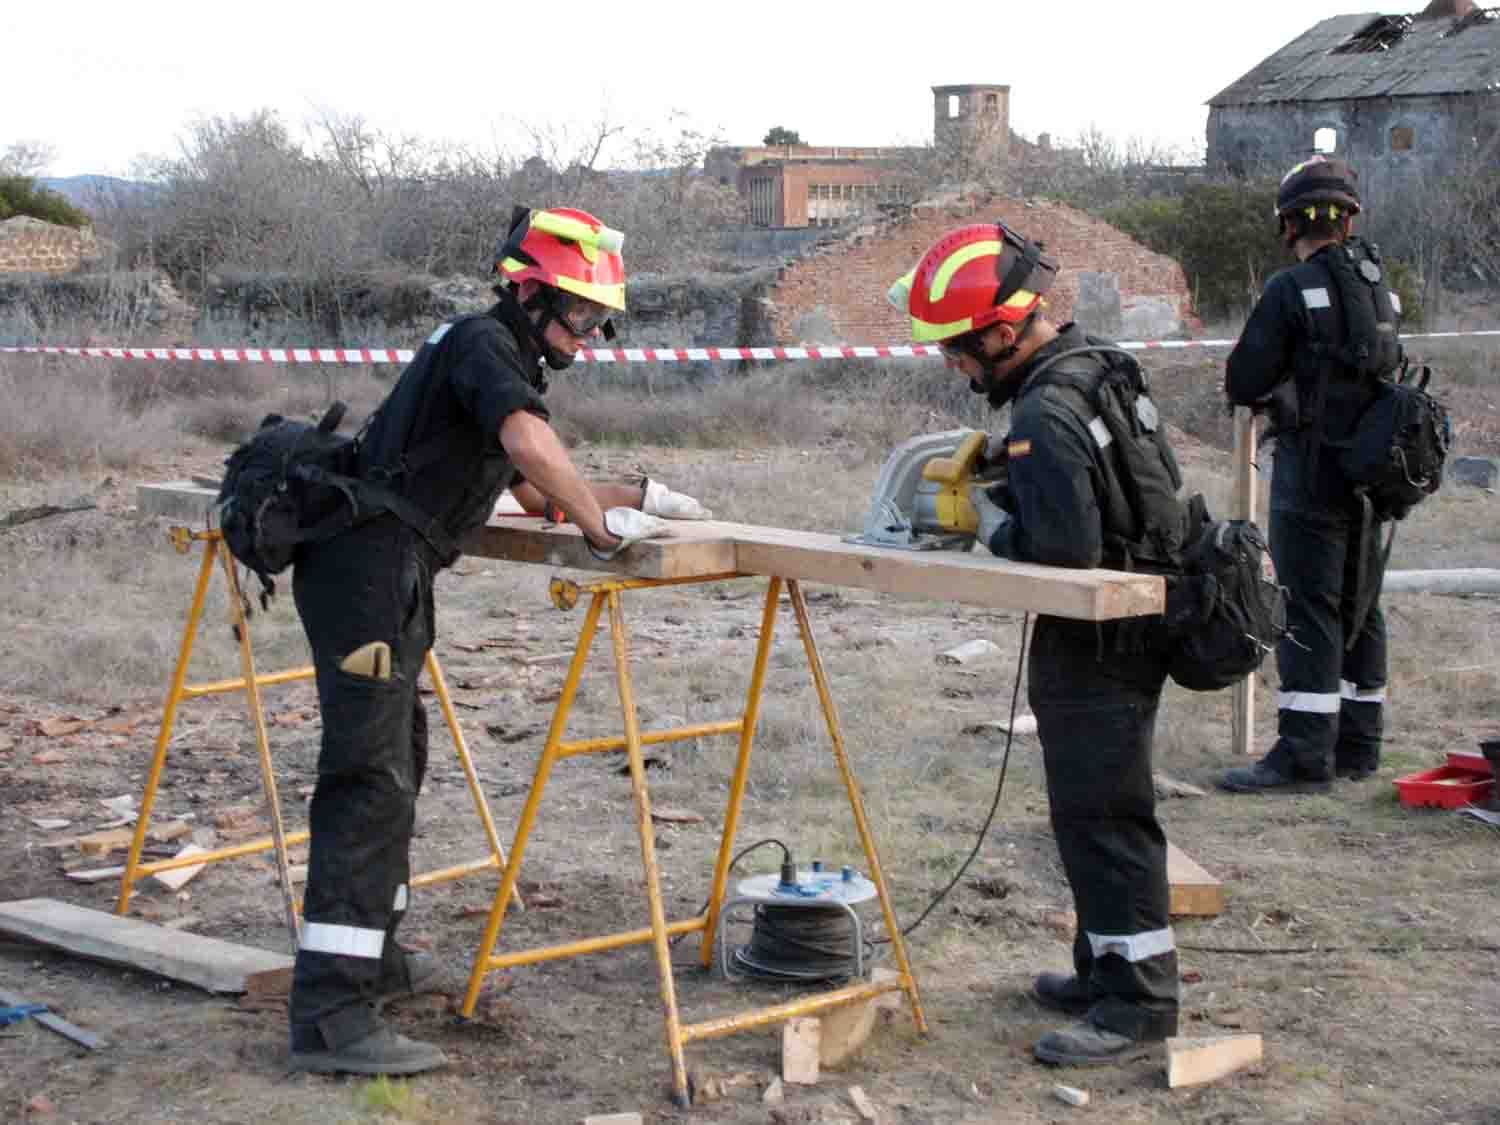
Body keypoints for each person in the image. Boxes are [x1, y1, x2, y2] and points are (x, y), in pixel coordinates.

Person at [287, 205, 713, 1075]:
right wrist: (601, 525)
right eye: (582, 315)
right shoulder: (487, 347)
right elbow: (527, 442)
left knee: (395, 769)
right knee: (367, 783)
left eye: (600, 321)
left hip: (387, 574)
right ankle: (332, 1016)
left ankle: (375, 959)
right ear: (528, 291)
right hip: (368, 574)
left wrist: (609, 495)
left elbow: (518, 479)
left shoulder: (490, 353)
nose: (588, 336)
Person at [888, 222, 1183, 1065]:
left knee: (1104, 816)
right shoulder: (1092, 368)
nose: (956, 366)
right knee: (1092, 808)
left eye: (960, 348)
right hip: (1132, 621)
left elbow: (1066, 553)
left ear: (1004, 331)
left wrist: (989, 521)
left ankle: (1135, 1006)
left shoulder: (1045, 410)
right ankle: (1103, 967)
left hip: (1099, 637)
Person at [1220, 156, 1394, 794]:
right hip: (1371, 478)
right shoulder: (1380, 289)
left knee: (1308, 607)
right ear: (1349, 222)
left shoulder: (1289, 291)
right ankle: (1359, 746)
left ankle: (1302, 755)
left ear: (1290, 223)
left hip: (1311, 470)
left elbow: (1244, 379)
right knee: (1361, 602)